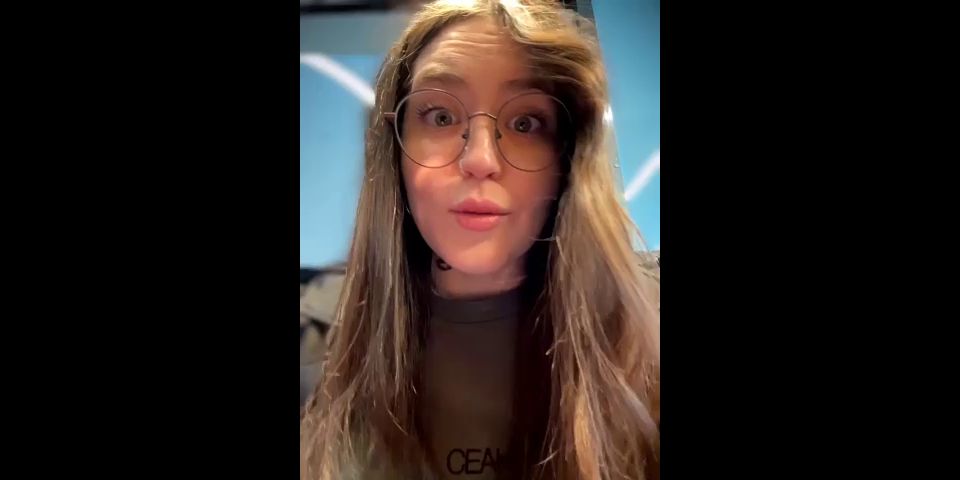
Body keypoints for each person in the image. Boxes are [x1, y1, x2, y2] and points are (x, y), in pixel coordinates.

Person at [300, 1, 660, 478]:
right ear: (395, 150)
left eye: (525, 123)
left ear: (566, 155)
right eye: (440, 117)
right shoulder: (314, 347)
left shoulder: (648, 329)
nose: (481, 160)